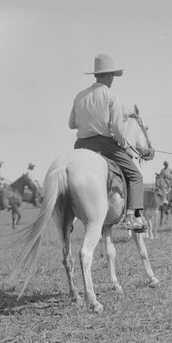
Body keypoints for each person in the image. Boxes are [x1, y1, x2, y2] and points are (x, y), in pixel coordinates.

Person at [68, 53, 146, 232]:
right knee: (136, 176)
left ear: (96, 75)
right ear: (110, 76)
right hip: (105, 145)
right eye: (113, 76)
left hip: (80, 146)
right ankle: (131, 218)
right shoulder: (111, 96)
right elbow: (118, 129)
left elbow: (71, 124)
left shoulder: (79, 96)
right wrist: (124, 145)